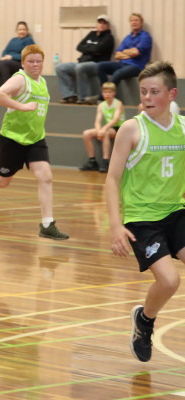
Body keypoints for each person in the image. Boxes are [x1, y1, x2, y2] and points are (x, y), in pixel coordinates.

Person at [105, 61, 185, 363]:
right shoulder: (131, 129)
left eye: (155, 92)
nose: (147, 98)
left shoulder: (182, 128)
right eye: (143, 92)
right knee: (170, 281)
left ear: (171, 94)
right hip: (142, 218)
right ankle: (145, 320)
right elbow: (112, 179)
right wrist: (116, 225)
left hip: (176, 211)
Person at [0, 45, 69, 240]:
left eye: (39, 61)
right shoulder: (20, 79)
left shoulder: (42, 81)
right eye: (31, 61)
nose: (35, 64)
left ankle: (47, 225)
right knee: (2, 181)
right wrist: (22, 107)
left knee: (45, 177)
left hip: (36, 139)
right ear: (23, 63)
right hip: (13, 140)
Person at [88, 13, 152, 103]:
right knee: (100, 66)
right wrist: (130, 53)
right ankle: (107, 94)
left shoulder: (145, 36)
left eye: (136, 20)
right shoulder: (128, 38)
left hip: (136, 66)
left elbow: (136, 52)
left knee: (118, 73)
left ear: (141, 23)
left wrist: (125, 52)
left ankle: (102, 97)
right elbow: (117, 55)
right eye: (132, 20)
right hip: (122, 63)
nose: (134, 22)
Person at [55, 15, 114, 104]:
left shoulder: (109, 38)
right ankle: (69, 96)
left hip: (97, 64)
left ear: (108, 26)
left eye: (104, 23)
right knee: (60, 67)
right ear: (96, 24)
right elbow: (79, 47)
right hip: (81, 62)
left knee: (80, 67)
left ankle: (83, 98)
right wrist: (93, 49)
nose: (101, 25)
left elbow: (98, 49)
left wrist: (88, 48)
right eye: (99, 23)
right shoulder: (91, 34)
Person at [79, 82, 125, 173]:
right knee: (86, 133)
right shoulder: (101, 105)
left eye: (109, 92)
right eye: (105, 92)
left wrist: (103, 129)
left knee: (106, 133)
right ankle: (92, 161)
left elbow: (115, 119)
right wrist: (98, 130)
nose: (107, 94)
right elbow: (97, 121)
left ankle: (106, 161)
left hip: (118, 129)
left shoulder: (118, 103)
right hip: (108, 128)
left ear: (114, 93)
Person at [0, 22, 35, 94]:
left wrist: (12, 57)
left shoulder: (28, 40)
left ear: (27, 30)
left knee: (4, 63)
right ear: (16, 31)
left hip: (20, 63)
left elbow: (28, 55)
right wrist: (5, 56)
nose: (22, 31)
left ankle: (7, 89)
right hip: (9, 61)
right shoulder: (13, 40)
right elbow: (5, 51)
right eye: (20, 30)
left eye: (24, 29)